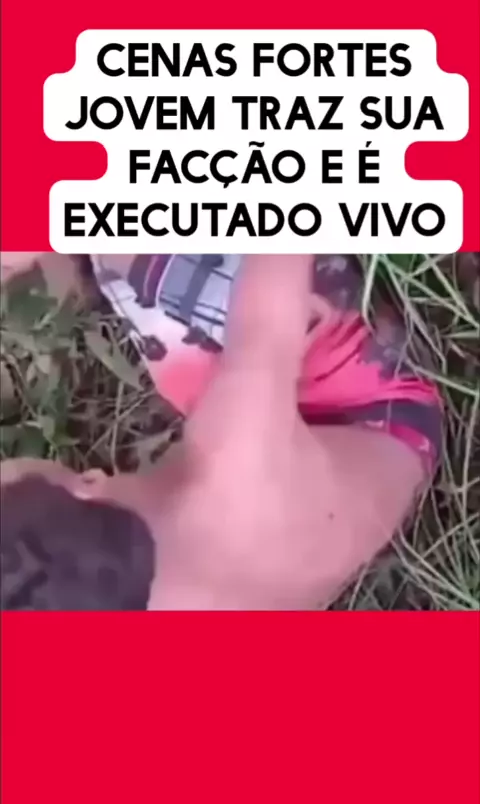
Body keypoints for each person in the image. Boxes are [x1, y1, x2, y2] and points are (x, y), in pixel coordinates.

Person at [0, 253, 442, 610]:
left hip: (295, 462)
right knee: (122, 245)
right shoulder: (231, 464)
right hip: (377, 406)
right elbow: (269, 313)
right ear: (87, 485)